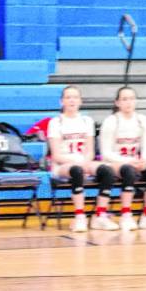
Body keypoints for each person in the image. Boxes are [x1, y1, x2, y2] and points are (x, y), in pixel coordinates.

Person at [47, 86, 117, 232]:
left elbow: (90, 151)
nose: (72, 100)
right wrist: (77, 161)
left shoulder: (86, 121)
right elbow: (56, 156)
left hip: (84, 161)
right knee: (76, 170)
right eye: (68, 97)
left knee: (107, 170)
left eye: (75, 97)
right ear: (61, 102)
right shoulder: (55, 122)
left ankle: (100, 215)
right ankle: (79, 217)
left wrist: (85, 162)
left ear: (80, 101)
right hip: (62, 165)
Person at [100, 87, 146, 230]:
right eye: (124, 99)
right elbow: (106, 153)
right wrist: (128, 161)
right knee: (128, 170)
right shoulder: (111, 121)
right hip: (113, 163)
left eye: (131, 98)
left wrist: (144, 160)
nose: (128, 102)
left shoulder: (143, 120)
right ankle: (126, 215)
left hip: (134, 161)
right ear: (117, 102)